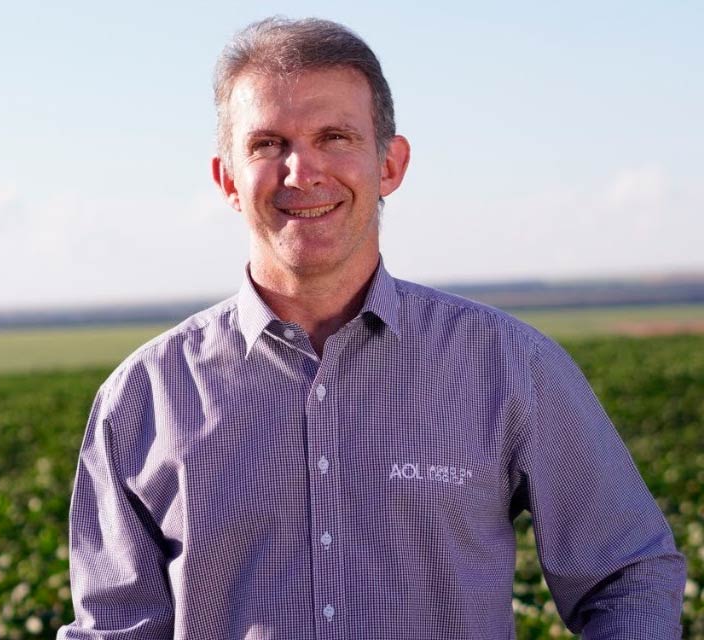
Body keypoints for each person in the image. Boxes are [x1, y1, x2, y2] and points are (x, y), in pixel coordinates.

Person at [55, 16, 687, 640]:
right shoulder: (144, 396)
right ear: (228, 180)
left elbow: (628, 576)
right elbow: (112, 629)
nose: (302, 171)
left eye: (334, 137)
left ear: (390, 164)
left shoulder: (510, 365)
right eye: (268, 144)